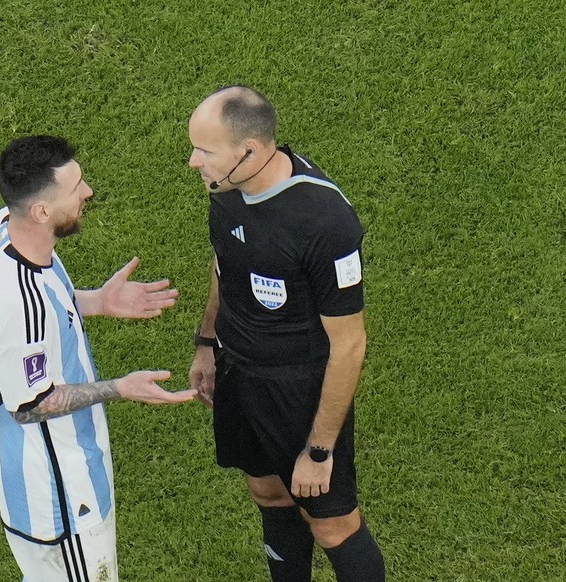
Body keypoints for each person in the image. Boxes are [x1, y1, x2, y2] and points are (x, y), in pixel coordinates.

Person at [0, 135, 196, 581]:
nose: (88, 191)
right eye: (75, 187)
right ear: (42, 211)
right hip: (60, 498)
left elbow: (39, 315)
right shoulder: (21, 304)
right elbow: (31, 404)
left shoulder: (0, 230)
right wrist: (119, 388)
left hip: (36, 478)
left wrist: (95, 301)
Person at [187, 86, 385, 582]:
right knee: (270, 496)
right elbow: (223, 266)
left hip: (298, 389)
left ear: (248, 150)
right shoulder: (226, 189)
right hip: (238, 369)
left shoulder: (325, 221)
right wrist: (208, 344)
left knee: (333, 525)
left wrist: (319, 451)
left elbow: (350, 342)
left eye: (204, 150)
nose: (193, 162)